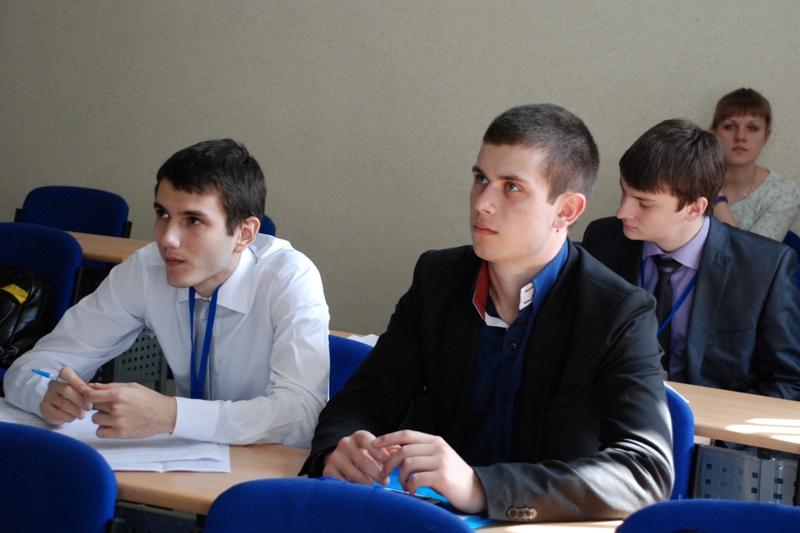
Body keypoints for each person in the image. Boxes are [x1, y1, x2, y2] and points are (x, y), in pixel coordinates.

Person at [301, 104, 673, 523]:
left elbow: (644, 474)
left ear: (566, 211)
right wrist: (338, 449)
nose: (483, 203)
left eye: (511, 187)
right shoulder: (437, 279)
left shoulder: (618, 312)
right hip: (432, 522)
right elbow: (364, 399)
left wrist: (481, 486)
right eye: (481, 179)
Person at [5, 139, 330, 447]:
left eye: (193, 220)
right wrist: (45, 393)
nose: (167, 239)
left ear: (244, 233)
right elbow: (29, 368)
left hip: (268, 462)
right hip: (188, 458)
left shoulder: (289, 278)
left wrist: (170, 415)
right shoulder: (147, 268)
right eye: (163, 214)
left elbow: (301, 415)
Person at [583, 119, 800, 400]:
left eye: (644, 203)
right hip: (616, 410)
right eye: (624, 191)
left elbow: (789, 380)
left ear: (695, 208)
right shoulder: (604, 239)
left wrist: (720, 427)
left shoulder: (764, 267)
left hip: (712, 420)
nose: (623, 211)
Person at [710, 88, 800, 241]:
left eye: (752, 128)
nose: (740, 136)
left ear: (766, 136)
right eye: (729, 126)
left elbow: (751, 255)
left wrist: (715, 198)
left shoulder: (783, 193)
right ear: (714, 133)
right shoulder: (687, 182)